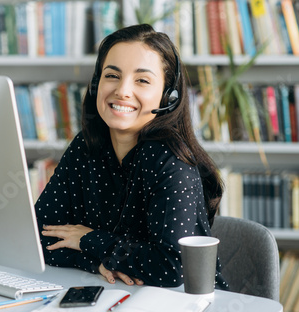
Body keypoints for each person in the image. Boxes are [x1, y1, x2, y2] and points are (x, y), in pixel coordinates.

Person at [35, 24, 228, 290]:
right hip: (114, 296)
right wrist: (96, 263)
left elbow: (172, 268)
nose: (123, 91)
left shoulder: (171, 162)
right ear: (96, 84)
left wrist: (89, 240)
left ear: (167, 96)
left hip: (189, 311)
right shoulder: (86, 146)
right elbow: (37, 237)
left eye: (142, 80)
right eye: (112, 75)